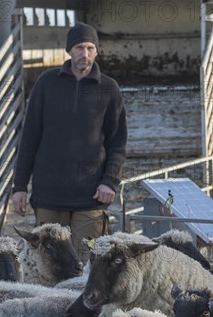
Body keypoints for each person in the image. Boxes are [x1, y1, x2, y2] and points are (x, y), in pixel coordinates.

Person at [12, 22, 127, 261]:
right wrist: (20, 186)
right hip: (49, 195)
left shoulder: (108, 89)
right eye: (78, 48)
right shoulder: (46, 84)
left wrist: (110, 181)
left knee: (88, 264)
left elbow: (117, 142)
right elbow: (29, 138)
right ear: (69, 50)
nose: (84, 54)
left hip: (91, 196)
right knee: (50, 264)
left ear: (96, 51)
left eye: (90, 48)